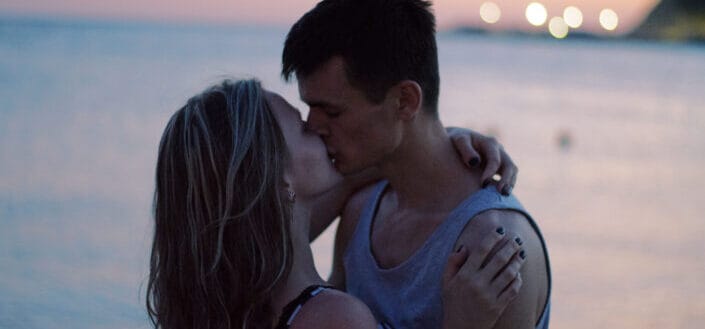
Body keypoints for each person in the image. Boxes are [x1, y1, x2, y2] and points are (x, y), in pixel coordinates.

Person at [146, 79, 527, 329]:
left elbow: (354, 176)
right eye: (301, 127)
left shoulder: (239, 304)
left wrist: (437, 147)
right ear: (279, 182)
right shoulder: (334, 319)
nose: (318, 128)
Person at [282, 0, 552, 328]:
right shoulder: (360, 213)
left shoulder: (494, 245)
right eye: (310, 108)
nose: (312, 126)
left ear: (405, 101)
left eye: (333, 112)